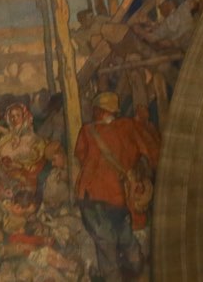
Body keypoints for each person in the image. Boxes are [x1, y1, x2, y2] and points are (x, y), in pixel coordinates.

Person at [75, 90, 160, 280]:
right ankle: (138, 265)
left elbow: (80, 156)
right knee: (123, 233)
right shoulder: (128, 126)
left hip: (89, 195)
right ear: (115, 110)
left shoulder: (87, 131)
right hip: (116, 196)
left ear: (97, 110)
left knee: (105, 241)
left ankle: (115, 276)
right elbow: (151, 151)